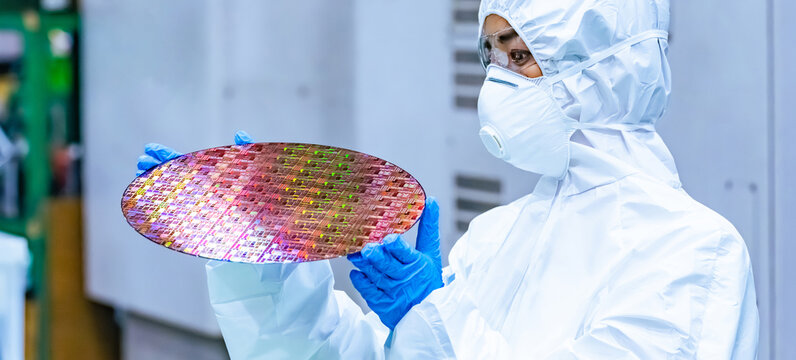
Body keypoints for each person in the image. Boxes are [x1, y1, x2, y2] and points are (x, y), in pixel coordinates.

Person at [136, 0, 759, 358]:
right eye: (492, 57)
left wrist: (435, 313)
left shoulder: (693, 252)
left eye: (521, 56)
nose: (498, 84)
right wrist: (262, 250)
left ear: (606, 68)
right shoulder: (496, 237)